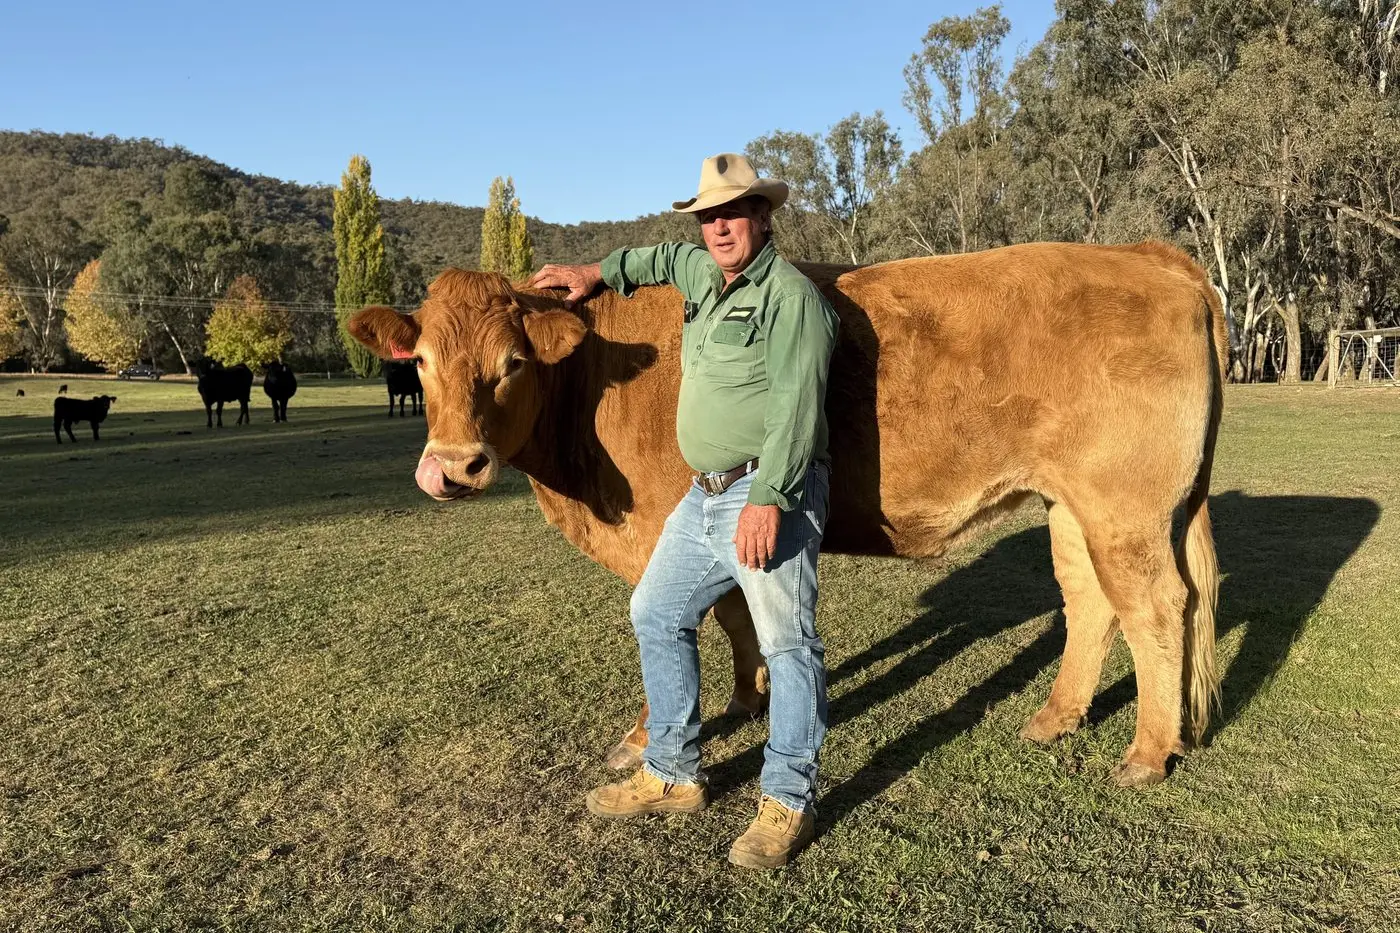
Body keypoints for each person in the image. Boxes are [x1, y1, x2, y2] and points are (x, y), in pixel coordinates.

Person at [529, 153, 839, 869]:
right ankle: (672, 772)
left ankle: (788, 797)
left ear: (763, 217)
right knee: (655, 611)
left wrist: (769, 500)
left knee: (788, 643)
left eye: (733, 213)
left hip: (767, 487)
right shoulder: (703, 269)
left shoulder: (791, 299)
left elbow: (797, 410)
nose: (718, 226)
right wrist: (595, 273)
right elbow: (660, 255)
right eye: (708, 216)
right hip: (701, 493)